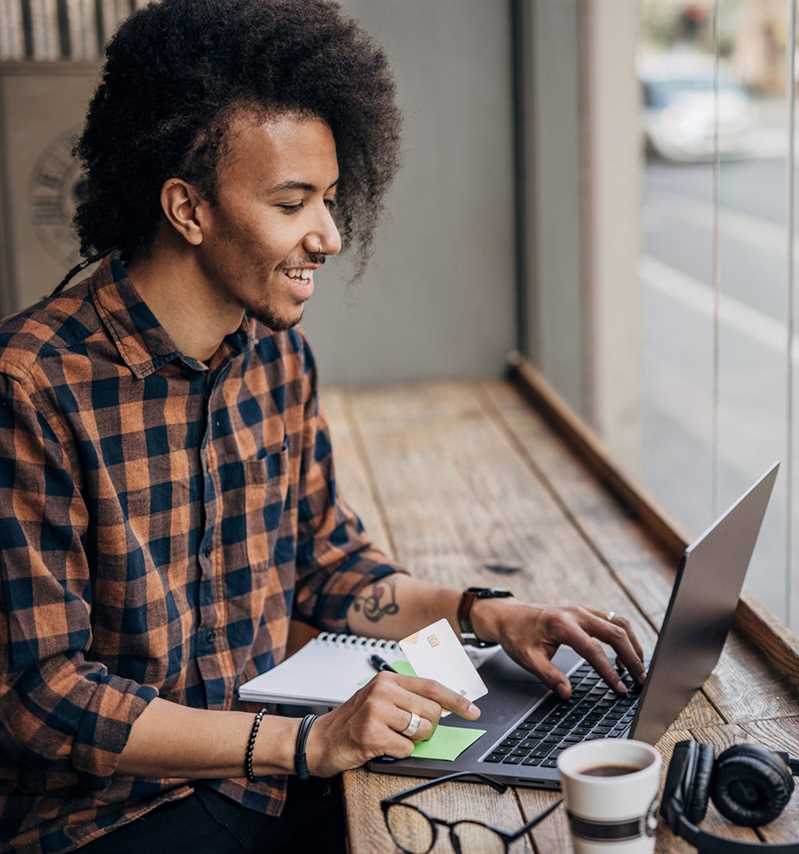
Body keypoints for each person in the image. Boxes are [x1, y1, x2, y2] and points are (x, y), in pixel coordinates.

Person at [0, 2, 645, 851]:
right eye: (293, 201)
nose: (331, 236)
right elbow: (42, 695)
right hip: (107, 819)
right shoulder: (34, 386)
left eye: (332, 199)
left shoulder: (275, 358)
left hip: (265, 776)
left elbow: (325, 567)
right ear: (188, 210)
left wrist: (488, 615)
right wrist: (309, 742)